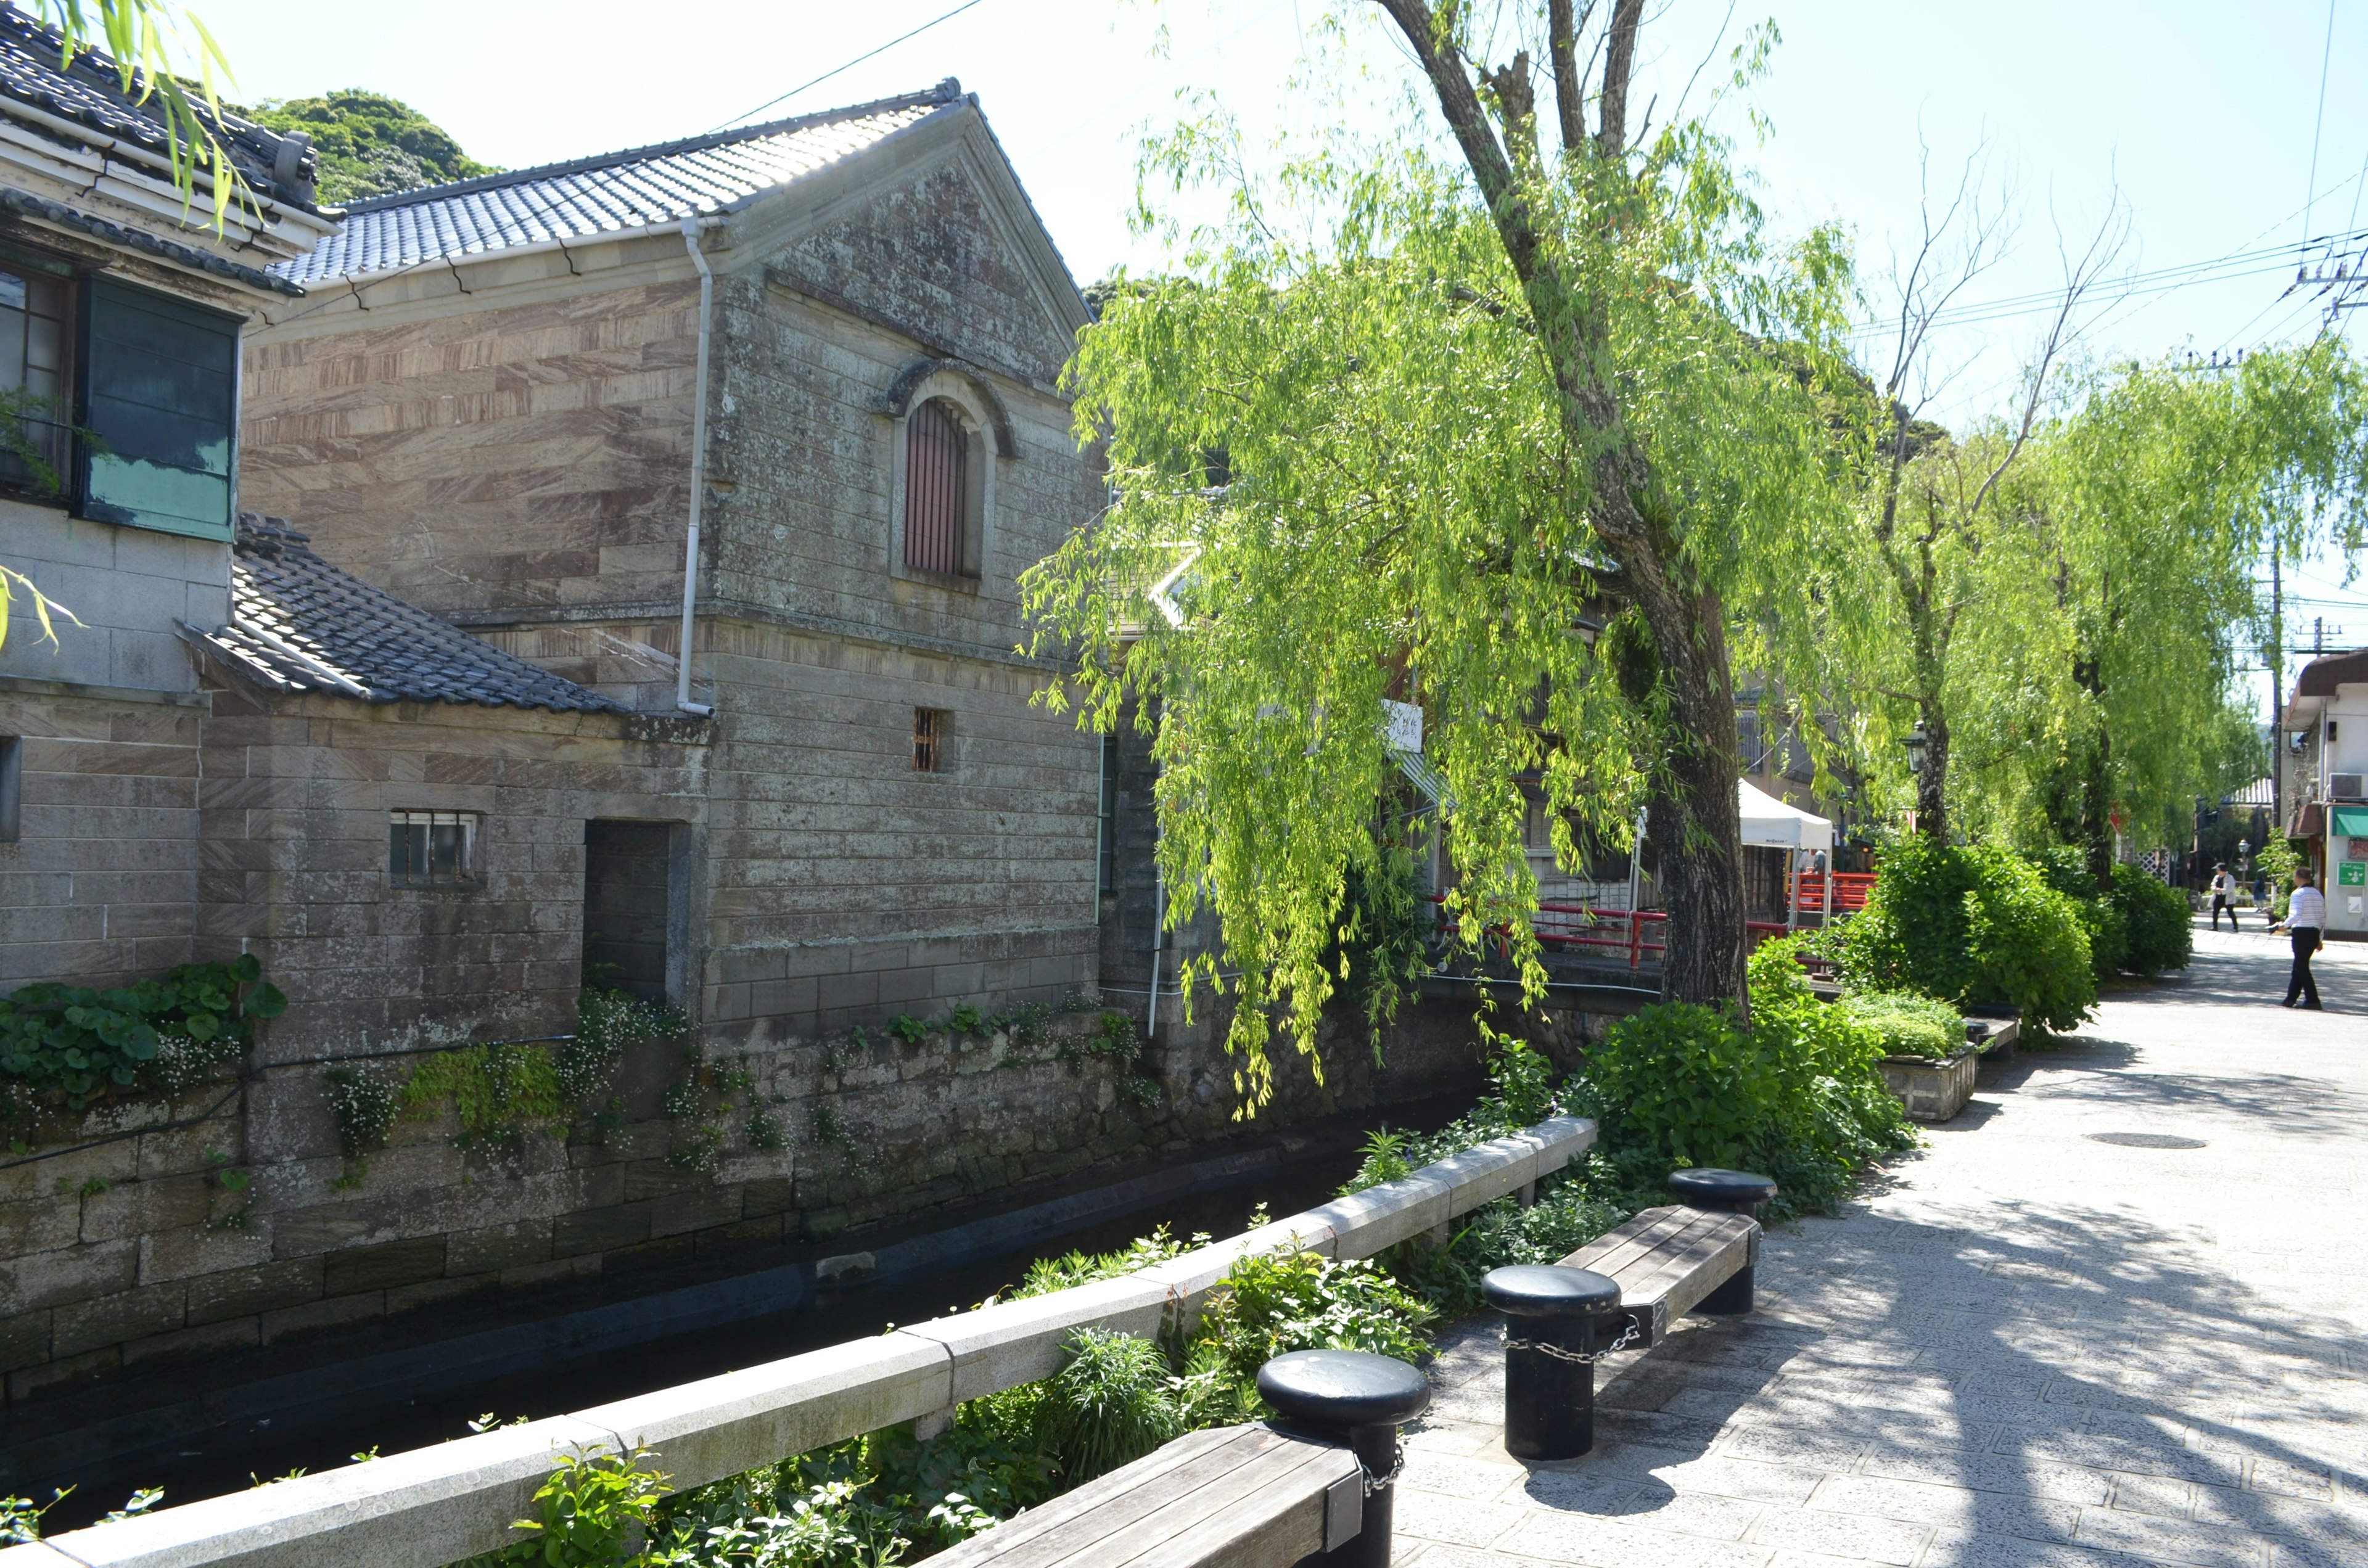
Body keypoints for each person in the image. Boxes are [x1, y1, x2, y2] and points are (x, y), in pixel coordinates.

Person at [2284, 868, 2325, 1010]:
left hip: (2301, 932)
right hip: (2314, 933)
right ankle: (2290, 998)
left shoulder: (2298, 894)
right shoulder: (2318, 894)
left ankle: (2313, 999)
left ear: (2298, 877)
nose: (2293, 879)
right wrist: (2320, 938)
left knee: (2302, 968)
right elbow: (2322, 918)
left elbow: (2296, 914)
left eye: (2294, 876)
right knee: (2299, 966)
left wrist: (2283, 926)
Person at [2208, 863, 2239, 932]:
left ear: (2222, 870)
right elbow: (2213, 884)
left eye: (2218, 870)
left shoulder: (2230, 878)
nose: (2217, 872)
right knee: (2215, 912)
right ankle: (2215, 927)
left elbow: (2230, 888)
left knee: (2230, 912)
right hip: (2218, 897)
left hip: (2228, 898)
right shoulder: (2217, 877)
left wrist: (2221, 890)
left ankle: (2236, 927)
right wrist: (2215, 889)